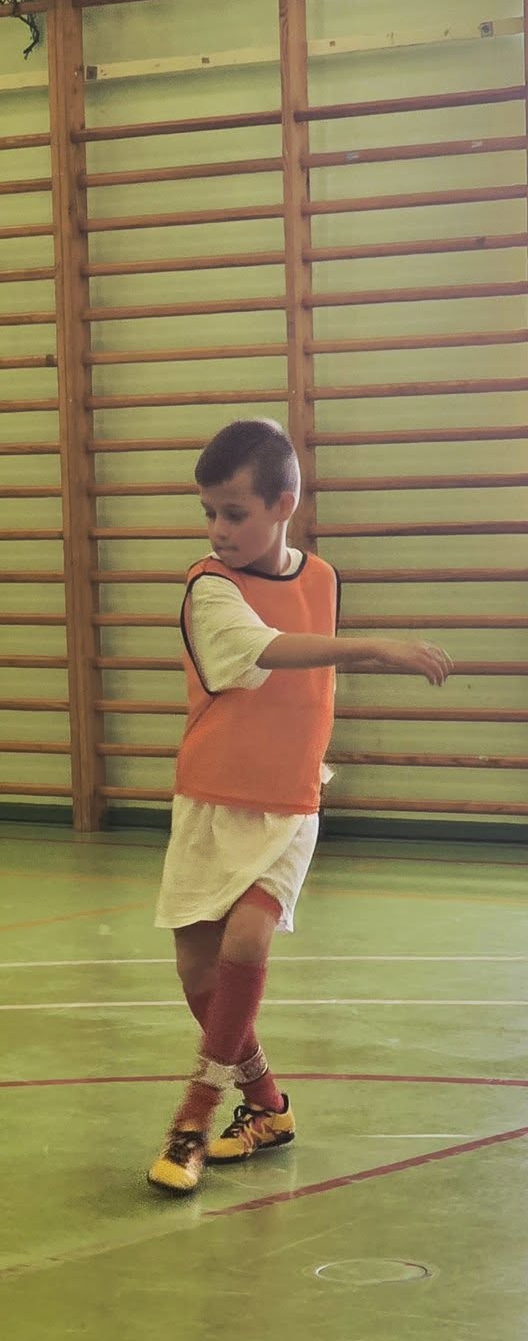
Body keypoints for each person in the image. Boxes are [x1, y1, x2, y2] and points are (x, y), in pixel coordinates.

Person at [148, 418, 453, 1195]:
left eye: (235, 513)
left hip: (289, 802)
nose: (218, 530)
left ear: (284, 504)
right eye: (209, 513)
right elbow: (268, 648)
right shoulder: (208, 587)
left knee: (247, 940)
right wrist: (374, 646)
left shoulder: (323, 577)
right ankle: (267, 1105)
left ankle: (192, 1117)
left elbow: (308, 685)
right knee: (197, 969)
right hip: (211, 798)